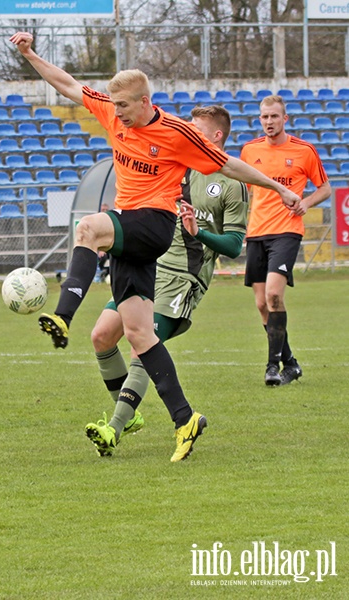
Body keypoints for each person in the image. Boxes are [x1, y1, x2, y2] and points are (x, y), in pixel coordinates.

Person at [10, 31, 299, 461]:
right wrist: (31, 54)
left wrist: (278, 187)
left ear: (145, 101)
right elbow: (68, 85)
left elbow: (231, 165)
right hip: (134, 236)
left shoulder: (178, 133)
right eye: (116, 106)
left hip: (154, 223)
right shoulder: (112, 112)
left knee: (88, 228)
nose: (118, 113)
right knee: (134, 334)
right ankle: (185, 419)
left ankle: (63, 315)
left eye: (125, 106)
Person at [85, 105, 249, 457]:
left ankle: (113, 428)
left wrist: (199, 232)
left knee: (141, 343)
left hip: (184, 278)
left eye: (196, 128)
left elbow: (235, 246)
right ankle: (129, 415)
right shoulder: (176, 166)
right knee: (101, 336)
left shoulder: (231, 184)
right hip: (149, 267)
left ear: (216, 136)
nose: (186, 131)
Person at [240, 95, 331, 386]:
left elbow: (325, 188)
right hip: (256, 232)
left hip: (287, 230)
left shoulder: (304, 151)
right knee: (261, 304)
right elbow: (241, 187)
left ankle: (272, 367)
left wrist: (307, 202)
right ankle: (290, 362)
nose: (269, 122)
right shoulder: (249, 150)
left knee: (274, 296)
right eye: (265, 117)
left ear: (285, 119)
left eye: (274, 117)